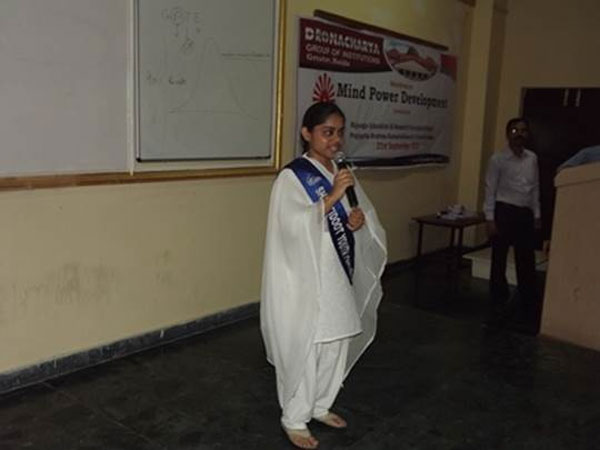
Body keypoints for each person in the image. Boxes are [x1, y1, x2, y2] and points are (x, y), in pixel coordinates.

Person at [260, 102, 387, 449]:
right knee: (310, 342)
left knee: (338, 337)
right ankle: (294, 416)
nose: (335, 140)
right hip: (306, 274)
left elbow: (350, 215)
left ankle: (320, 403)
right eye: (327, 132)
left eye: (339, 132)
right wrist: (332, 197)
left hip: (336, 272)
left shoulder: (340, 170)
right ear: (307, 133)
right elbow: (290, 224)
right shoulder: (293, 176)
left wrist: (356, 221)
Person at [483, 117, 541, 333]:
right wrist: (490, 218)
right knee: (499, 257)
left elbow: (535, 188)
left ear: (528, 134)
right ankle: (498, 298)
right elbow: (490, 189)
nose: (519, 134)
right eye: (515, 130)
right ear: (508, 134)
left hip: (524, 214)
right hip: (504, 212)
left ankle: (528, 299)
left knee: (525, 258)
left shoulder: (532, 158)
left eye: (523, 130)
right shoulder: (497, 160)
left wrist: (537, 214)